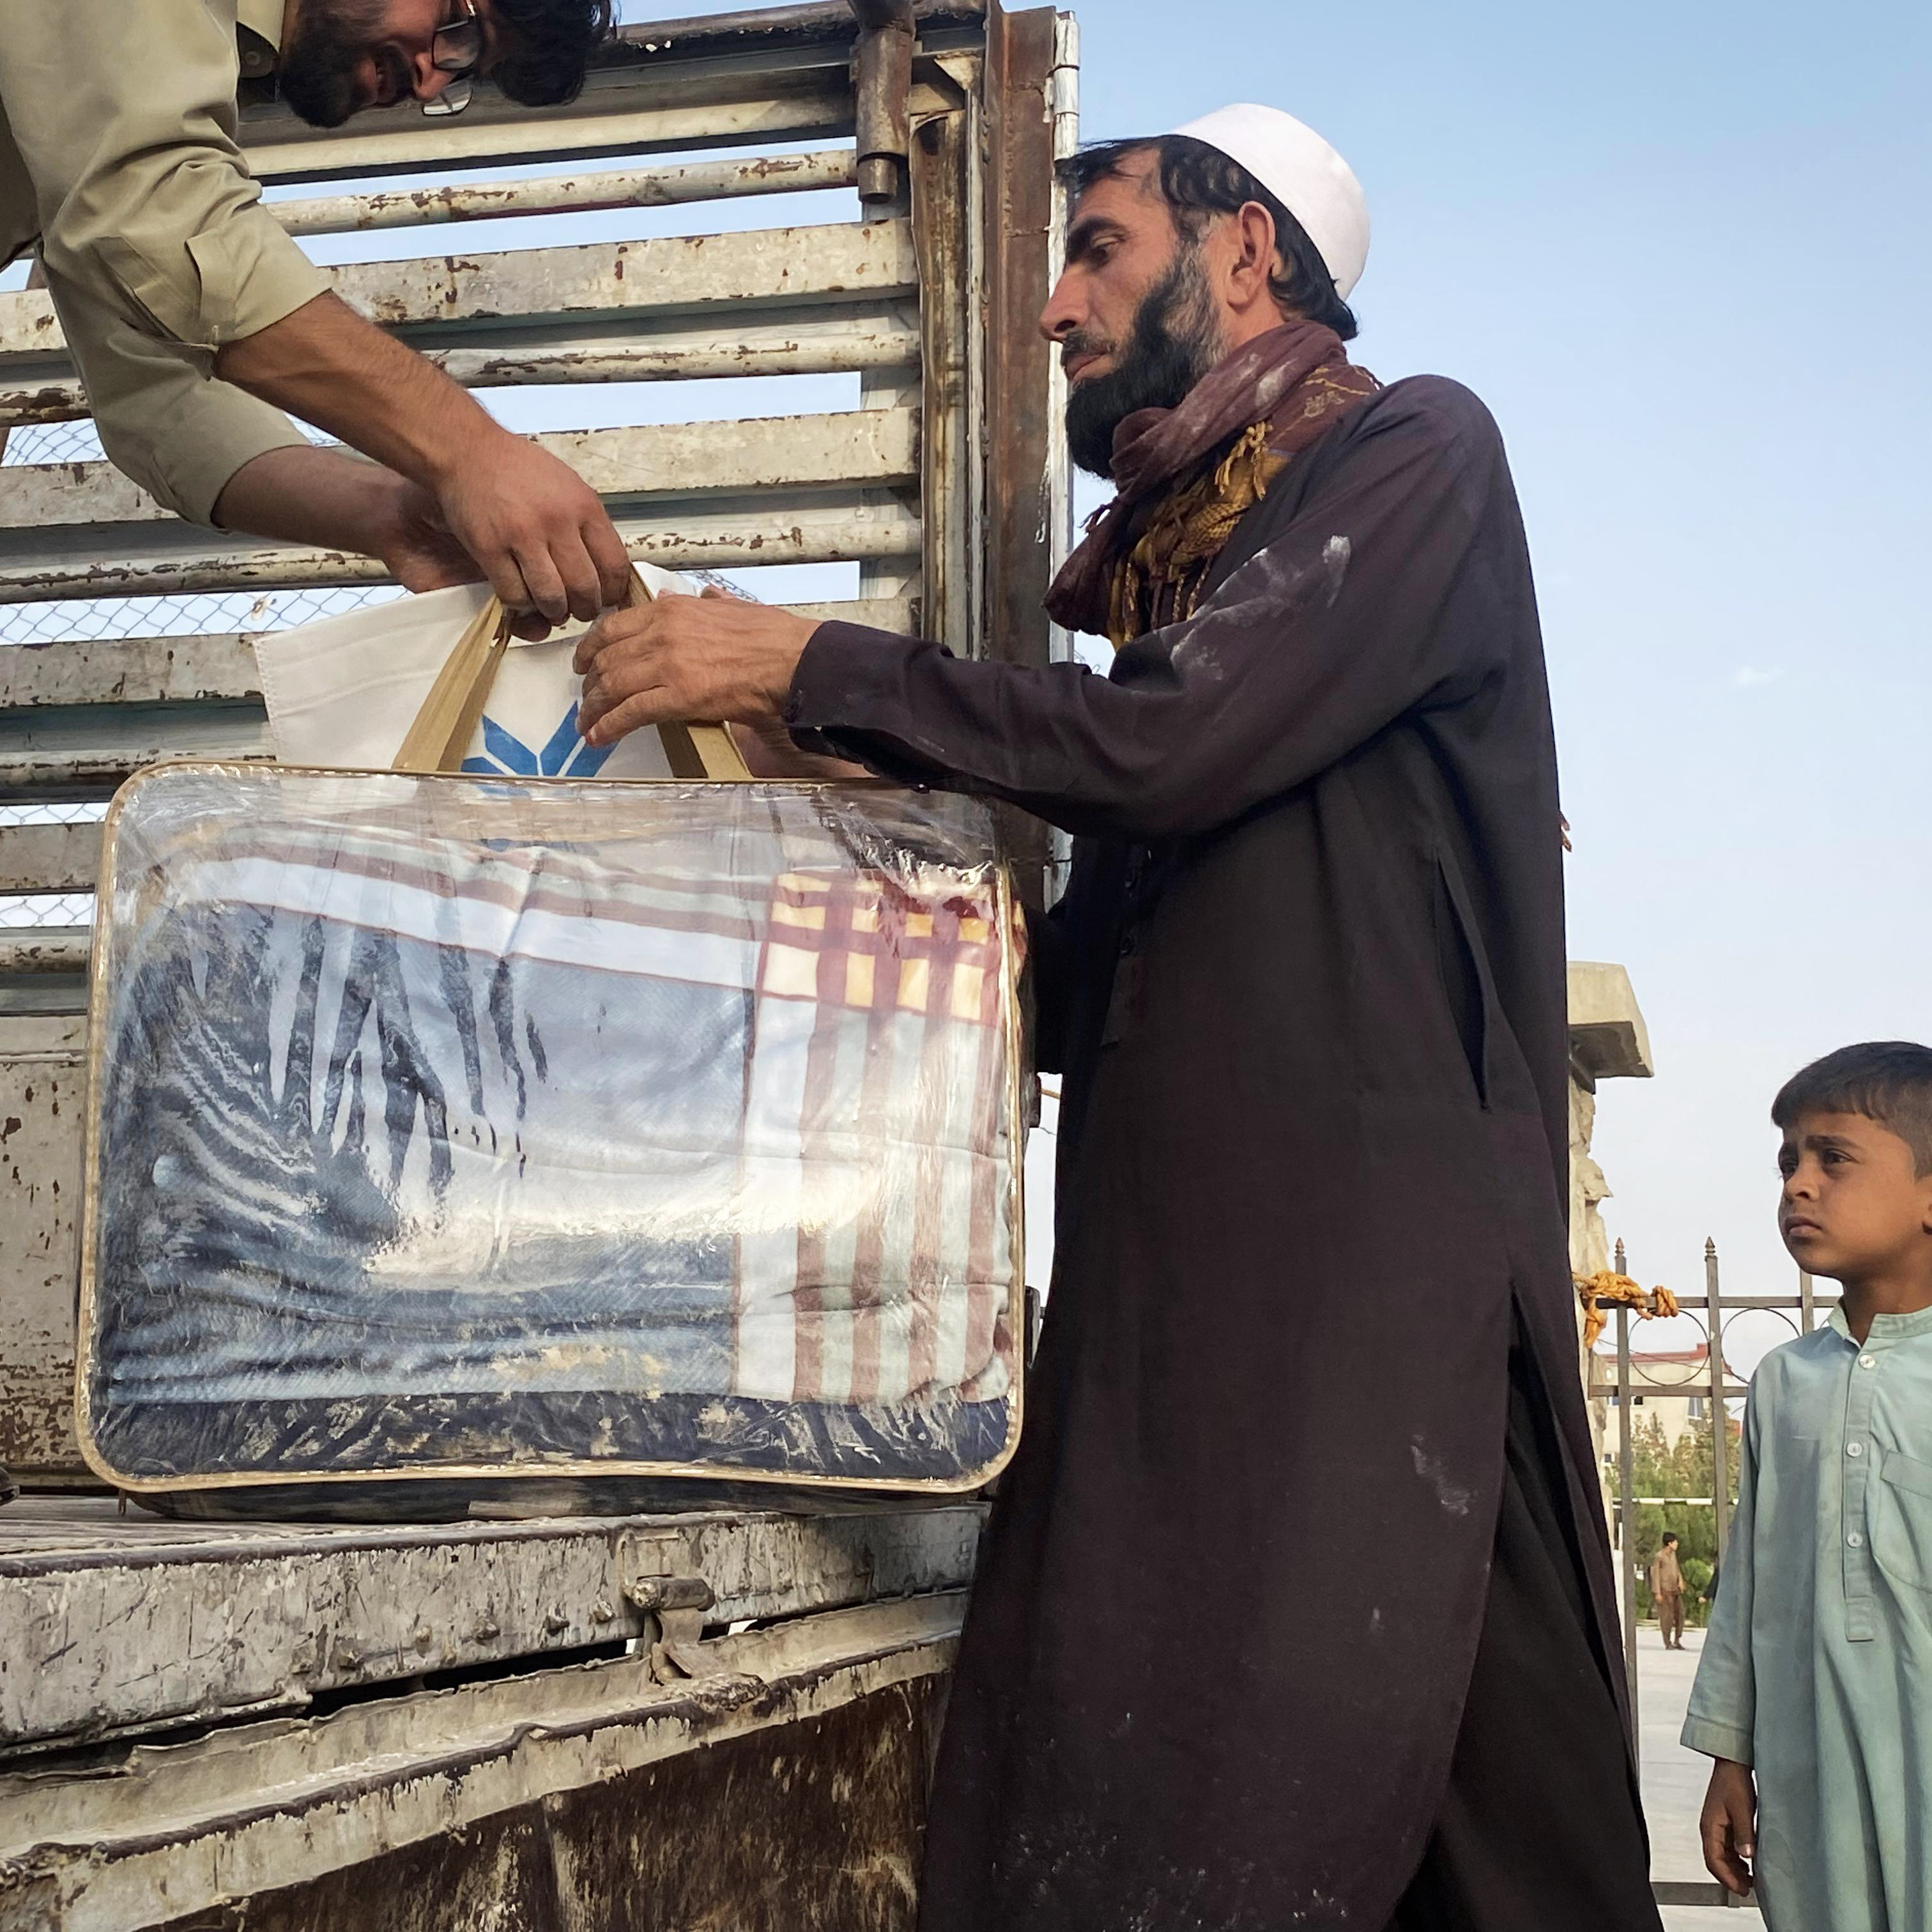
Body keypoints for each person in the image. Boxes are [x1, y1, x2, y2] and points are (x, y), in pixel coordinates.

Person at [571, 103, 1660, 1930]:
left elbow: (1171, 745)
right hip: (1192, 1307)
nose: (1060, 308)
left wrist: (821, 661)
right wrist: (828, 783)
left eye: (1100, 248)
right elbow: (1077, 980)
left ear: (1245, 253)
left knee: (1376, 1794)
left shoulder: (1412, 455)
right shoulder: (1198, 583)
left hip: (1372, 1314)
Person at [0, 1, 631, 627]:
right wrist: (470, 452)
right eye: (460, 27)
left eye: (465, 71)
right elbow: (154, 215)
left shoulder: (167, 84)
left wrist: (386, 514)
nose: (433, 79)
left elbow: (160, 396)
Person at [1686, 1041, 1932, 1929]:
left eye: (1835, 1158)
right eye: (1790, 1161)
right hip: (1810, 1767)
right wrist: (1727, 1756)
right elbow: (1749, 1581)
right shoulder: (1787, 1381)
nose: (1799, 1184)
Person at [1651, 1529, 1687, 1649]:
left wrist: (1680, 1580)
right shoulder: (1659, 1557)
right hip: (1665, 1591)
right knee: (1667, 1618)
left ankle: (1677, 1640)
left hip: (1675, 1590)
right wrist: (1657, 1593)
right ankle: (1668, 1642)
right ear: (1670, 1543)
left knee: (1680, 1615)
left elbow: (1676, 1569)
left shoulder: (1673, 1555)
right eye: (1675, 1542)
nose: (1677, 1544)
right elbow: (1655, 1575)